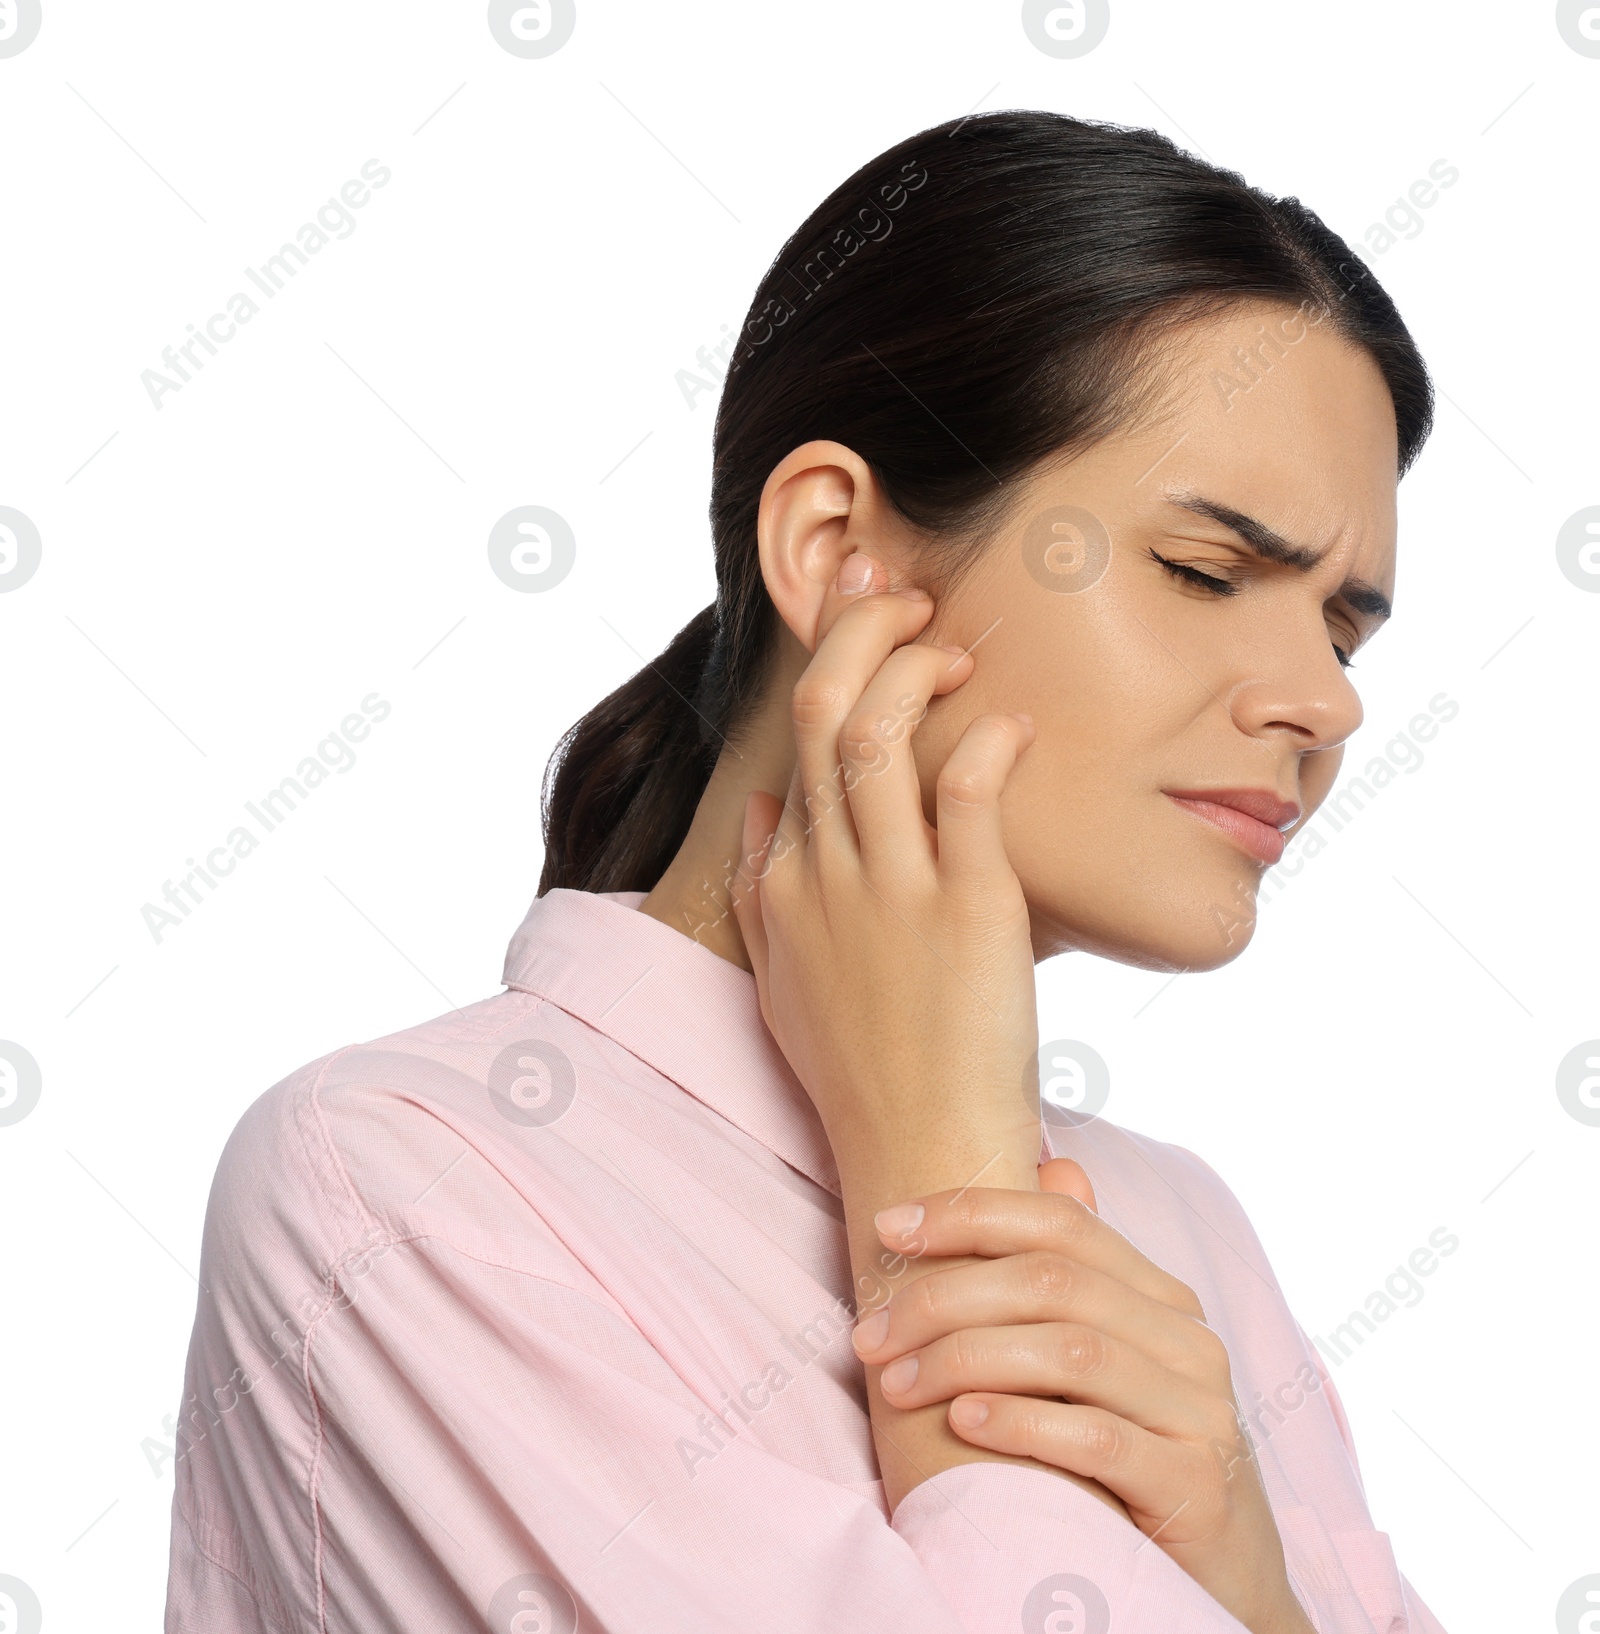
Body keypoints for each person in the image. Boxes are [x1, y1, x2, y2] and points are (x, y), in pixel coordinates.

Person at [165, 110, 1448, 1633]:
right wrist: (941, 1162)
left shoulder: (1184, 1228)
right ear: (842, 547)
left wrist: (1255, 1577)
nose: (1327, 701)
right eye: (1205, 572)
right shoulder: (397, 1182)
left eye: (1344, 626)